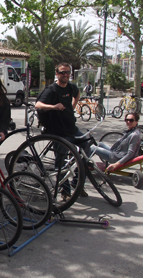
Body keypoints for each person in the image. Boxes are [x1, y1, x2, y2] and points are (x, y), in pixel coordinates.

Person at [35, 62, 90, 200]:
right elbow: (38, 105)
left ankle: (77, 184)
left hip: (72, 128)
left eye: (67, 72)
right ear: (57, 74)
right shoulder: (52, 90)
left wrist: (72, 107)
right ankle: (65, 191)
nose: (65, 75)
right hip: (57, 131)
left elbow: (77, 94)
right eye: (62, 72)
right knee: (61, 161)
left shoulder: (71, 87)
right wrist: (53, 107)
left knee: (87, 149)